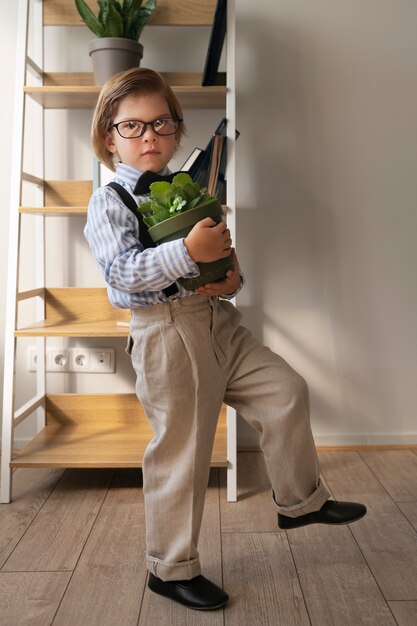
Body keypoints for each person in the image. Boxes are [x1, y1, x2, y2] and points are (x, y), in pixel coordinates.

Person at [84, 67, 366, 611]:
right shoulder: (110, 202)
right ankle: (169, 568)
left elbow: (217, 259)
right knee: (182, 454)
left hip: (217, 322)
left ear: (177, 129)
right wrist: (188, 251)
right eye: (133, 126)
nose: (150, 136)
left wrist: (231, 279)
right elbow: (120, 278)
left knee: (286, 391)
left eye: (161, 123)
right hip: (166, 334)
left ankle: (299, 501)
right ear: (108, 137)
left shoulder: (190, 189)